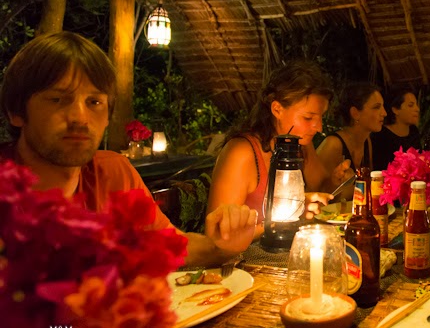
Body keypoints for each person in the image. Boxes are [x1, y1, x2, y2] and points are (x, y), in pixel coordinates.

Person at [0, 31, 255, 268]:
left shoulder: (113, 173)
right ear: (16, 112)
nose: (80, 117)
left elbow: (172, 246)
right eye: (57, 99)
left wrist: (221, 247)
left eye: (94, 102)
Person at [207, 61, 350, 238]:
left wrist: (334, 182)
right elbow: (217, 234)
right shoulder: (242, 153)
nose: (319, 127)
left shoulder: (301, 145)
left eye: (321, 117)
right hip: (244, 260)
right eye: (308, 117)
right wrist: (291, 216)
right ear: (277, 109)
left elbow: (322, 189)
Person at [316, 82, 387, 182]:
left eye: (383, 107)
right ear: (355, 113)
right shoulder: (334, 144)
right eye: (376, 107)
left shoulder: (366, 141)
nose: (384, 113)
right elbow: (318, 189)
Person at [371, 88, 421, 170]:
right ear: (395, 110)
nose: (417, 109)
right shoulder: (381, 135)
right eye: (411, 105)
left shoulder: (413, 131)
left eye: (416, 105)